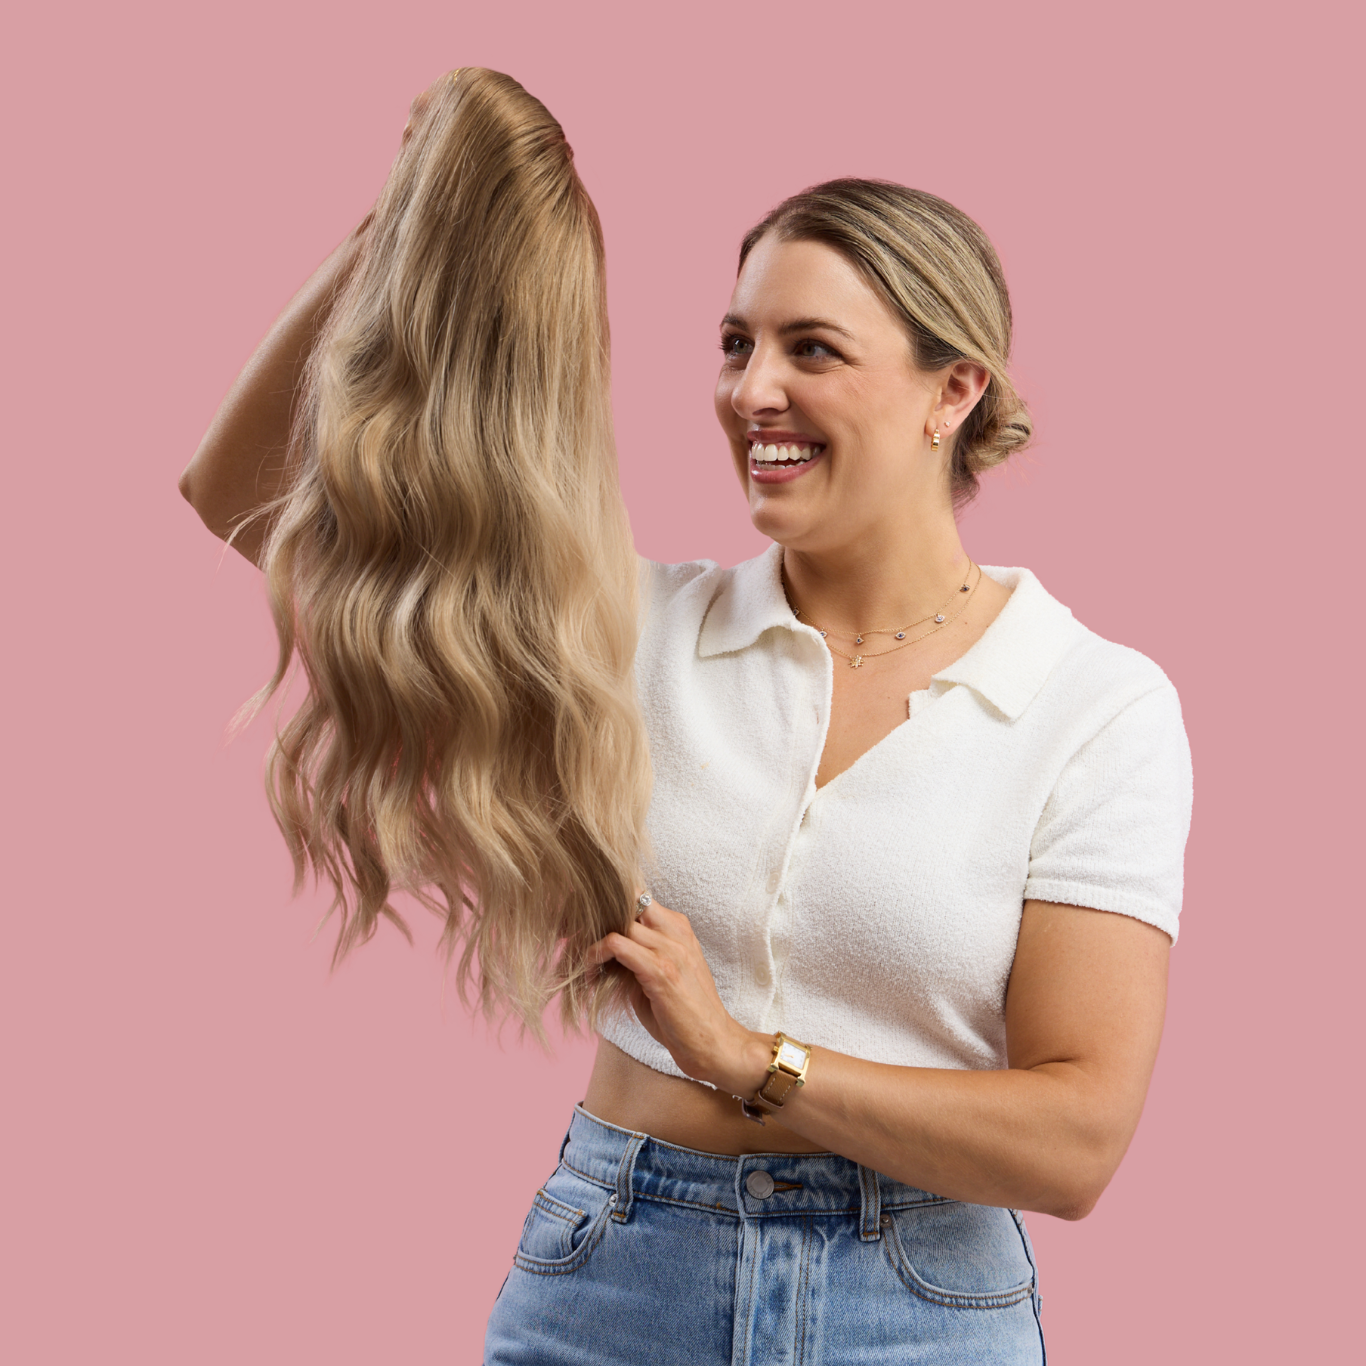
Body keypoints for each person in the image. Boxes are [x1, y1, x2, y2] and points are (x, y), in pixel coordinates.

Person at [182, 69, 1192, 1365]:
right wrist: (406, 226)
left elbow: (1074, 1138)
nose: (748, 390)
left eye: (809, 350)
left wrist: (743, 1051)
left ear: (954, 391)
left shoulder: (1091, 704)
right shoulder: (634, 627)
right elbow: (245, 497)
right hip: (613, 1271)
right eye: (734, 343)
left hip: (916, 1301)